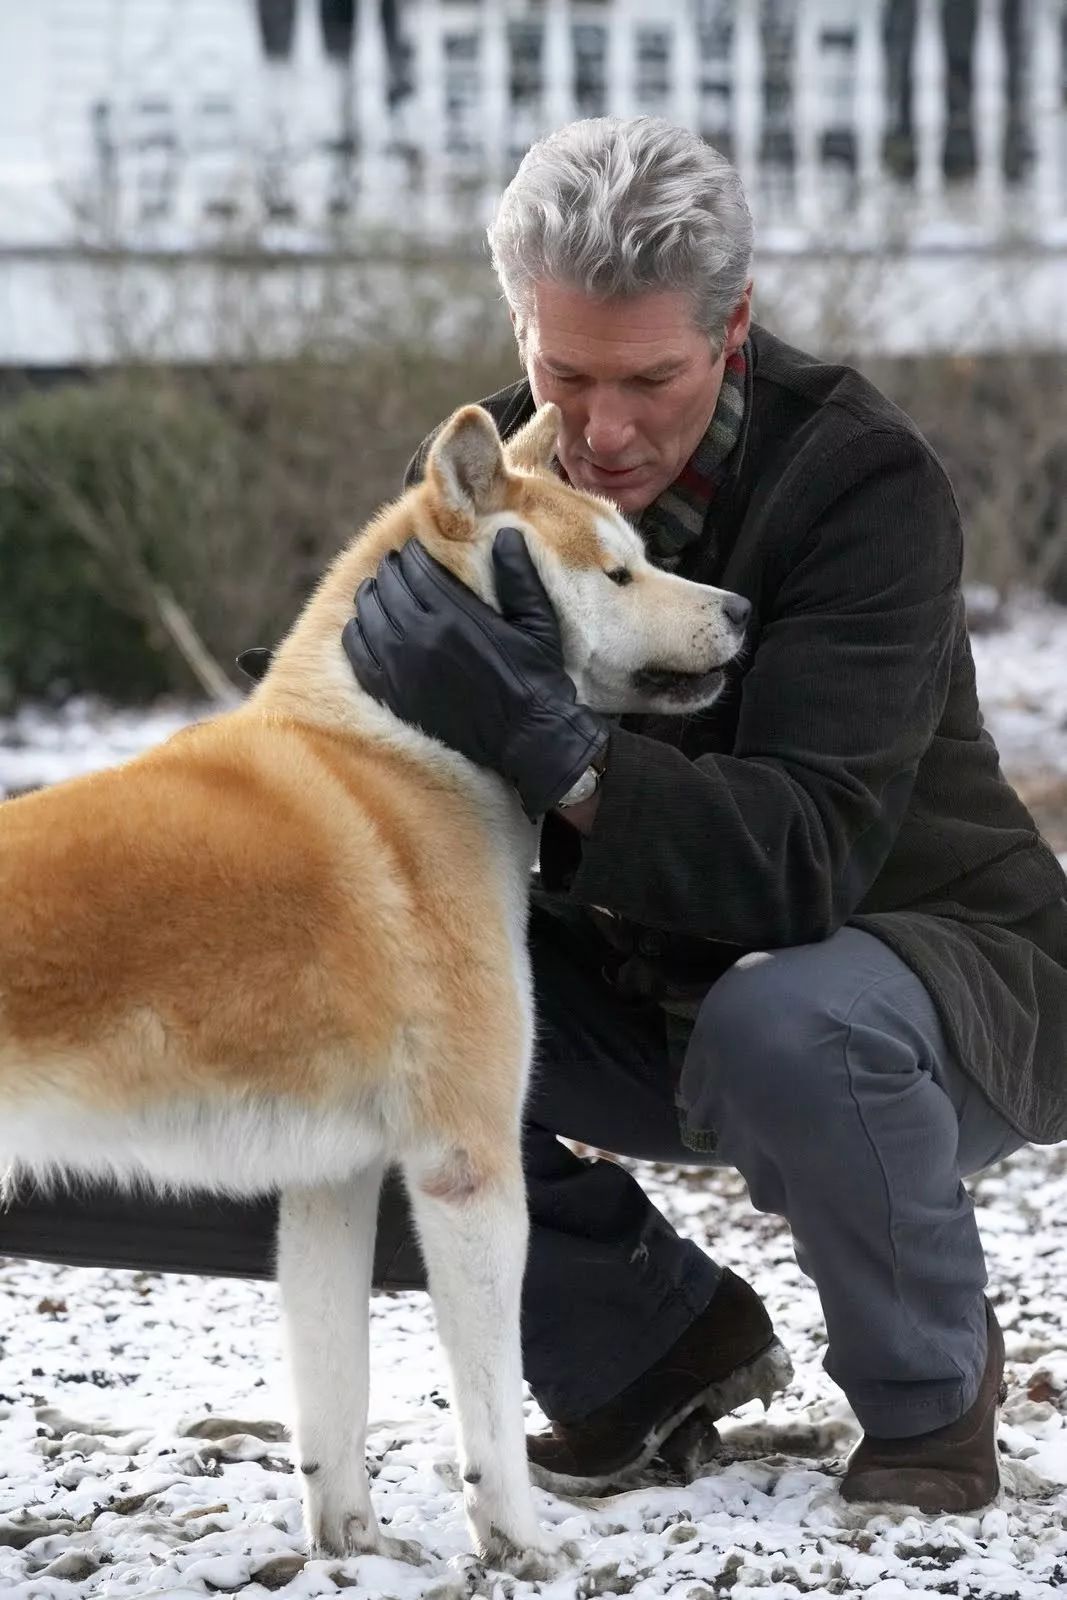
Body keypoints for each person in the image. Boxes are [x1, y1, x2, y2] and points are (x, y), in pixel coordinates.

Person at [3, 116, 1065, 1514]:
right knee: (293, 1014)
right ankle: (647, 1346)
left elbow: (805, 863)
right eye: (565, 373)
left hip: (922, 981)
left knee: (788, 1019)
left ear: (732, 327)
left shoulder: (861, 485)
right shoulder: (480, 473)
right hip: (630, 987)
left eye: (651, 379)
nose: (605, 429)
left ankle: (930, 1395)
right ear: (521, 324)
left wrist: (560, 754)